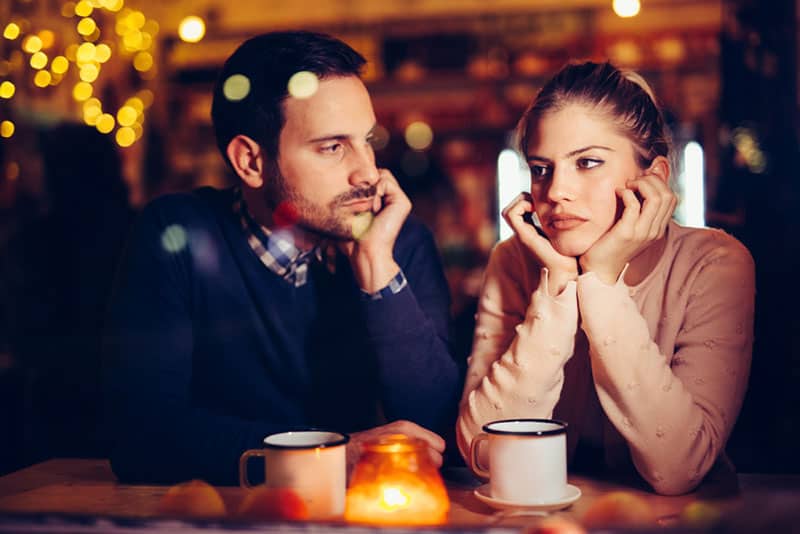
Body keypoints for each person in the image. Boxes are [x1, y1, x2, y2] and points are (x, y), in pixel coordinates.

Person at [103, 31, 461, 485]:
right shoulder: (179, 235)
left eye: (366, 140)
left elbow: (440, 437)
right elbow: (139, 439)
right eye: (332, 147)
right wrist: (328, 457)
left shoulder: (397, 241)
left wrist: (378, 273)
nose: (369, 172)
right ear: (250, 162)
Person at [456, 61, 755, 496]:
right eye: (541, 168)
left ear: (652, 178)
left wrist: (601, 280)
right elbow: (482, 452)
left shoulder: (715, 264)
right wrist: (557, 289)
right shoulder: (515, 261)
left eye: (588, 162)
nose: (556, 190)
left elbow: (679, 468)